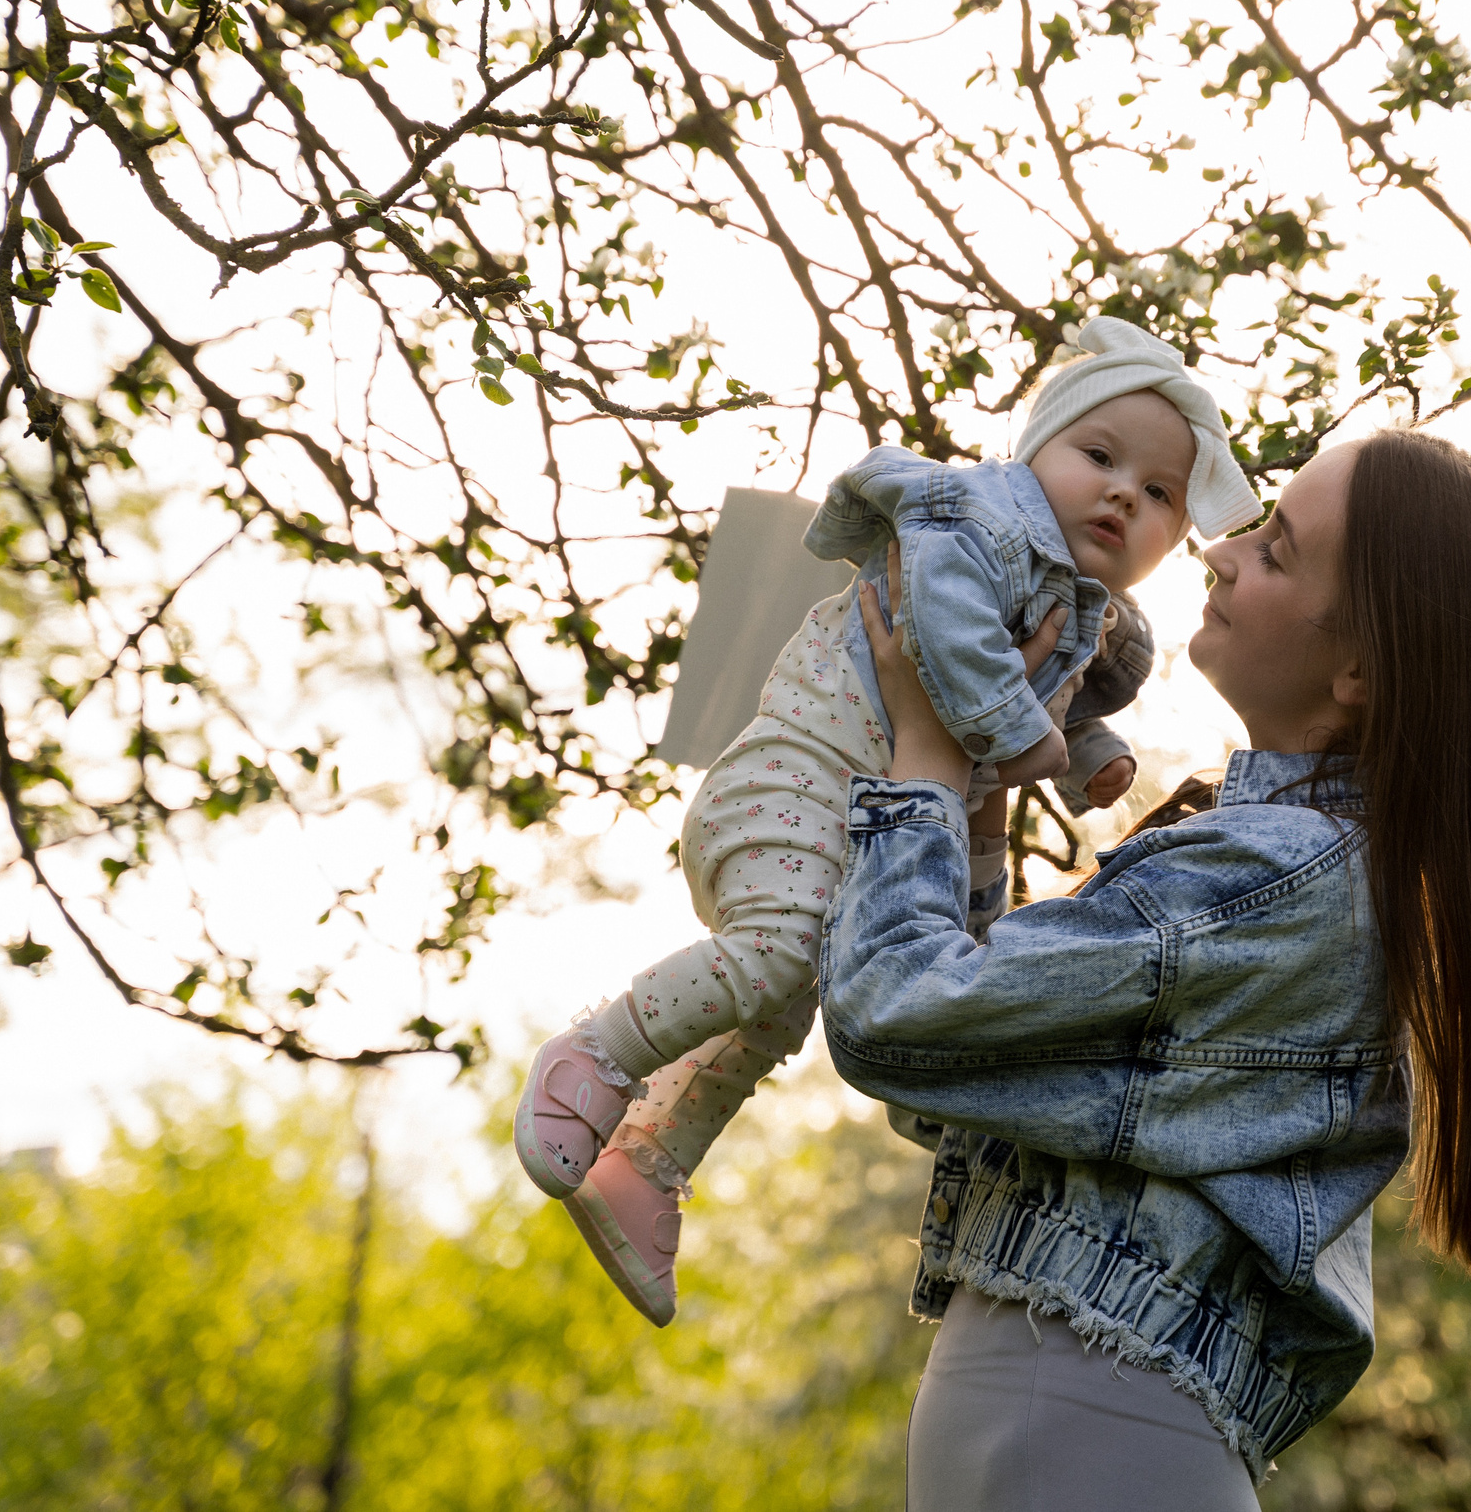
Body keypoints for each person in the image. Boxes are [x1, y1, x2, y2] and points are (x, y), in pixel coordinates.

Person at [822, 429, 1471, 1508]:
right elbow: (959, 1080)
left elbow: (892, 1014)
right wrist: (976, 795)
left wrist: (921, 758)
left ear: (1359, 670)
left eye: (1276, 550)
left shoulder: (1271, 874)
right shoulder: (1301, 873)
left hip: (1081, 1429)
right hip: (1076, 1427)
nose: (1220, 550)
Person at [514, 318, 1263, 1325]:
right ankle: (597, 1053)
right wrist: (1022, 738)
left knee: (783, 1004)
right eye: (1099, 456)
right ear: (1032, 449)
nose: (1126, 493)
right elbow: (947, 638)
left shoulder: (1069, 604)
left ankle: (647, 1161)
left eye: (1161, 492)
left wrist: (1091, 755)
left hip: (850, 821)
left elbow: (1058, 702)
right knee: (777, 956)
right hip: (799, 776)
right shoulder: (975, 522)